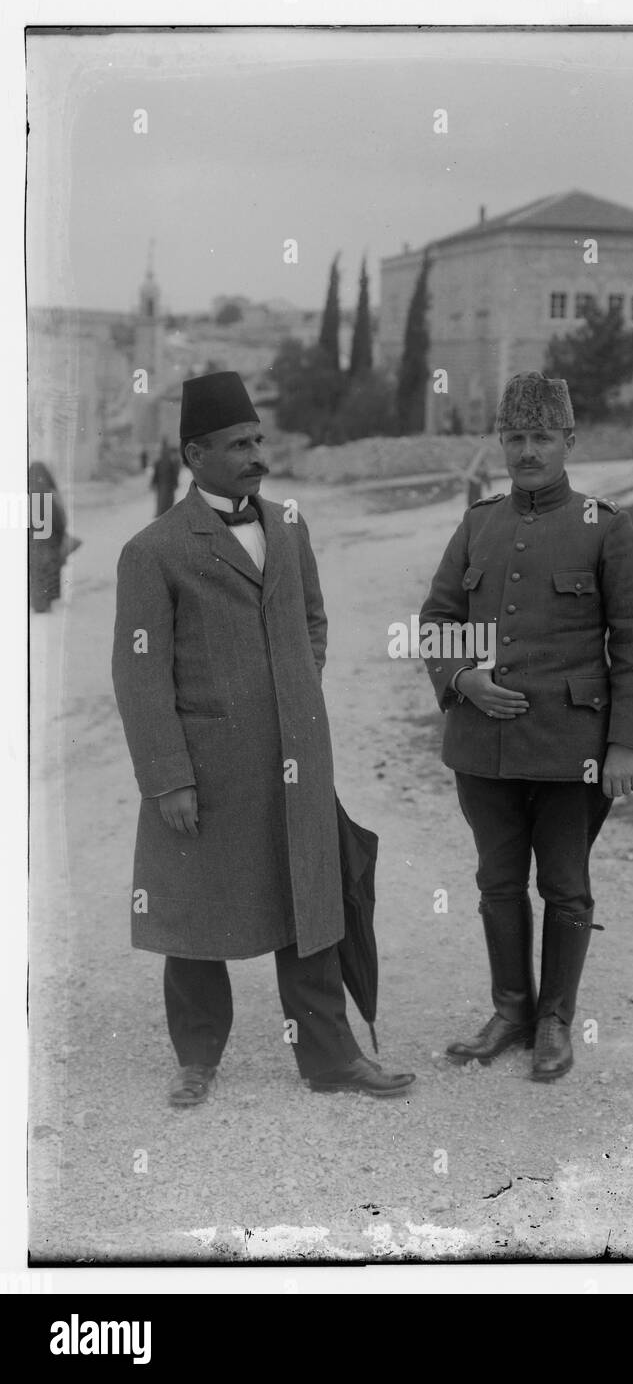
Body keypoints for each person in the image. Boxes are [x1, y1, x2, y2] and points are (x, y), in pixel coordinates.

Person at [112, 370, 414, 1106]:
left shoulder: (289, 524)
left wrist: (296, 693)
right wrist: (168, 777)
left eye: (257, 440)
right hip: (207, 769)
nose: (255, 454)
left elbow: (311, 618)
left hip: (296, 759)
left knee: (309, 907)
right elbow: (139, 675)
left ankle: (330, 1059)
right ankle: (196, 1060)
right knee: (191, 914)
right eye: (237, 443)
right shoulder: (153, 551)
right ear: (194, 454)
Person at [419, 372, 633, 1082]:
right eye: (515, 438)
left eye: (540, 438)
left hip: (571, 751)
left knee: (564, 886)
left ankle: (554, 1019)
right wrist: (462, 679)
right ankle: (508, 1011)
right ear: (500, 442)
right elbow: (437, 622)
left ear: (567, 442)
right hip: (481, 747)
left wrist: (622, 745)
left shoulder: (606, 527)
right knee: (497, 882)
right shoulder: (477, 523)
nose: (527, 452)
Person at [28, 461, 69, 613]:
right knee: (49, 569)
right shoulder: (49, 494)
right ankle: (46, 601)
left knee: (36, 573)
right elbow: (60, 521)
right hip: (49, 541)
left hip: (32, 543)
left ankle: (39, 604)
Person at [150, 439, 179, 517]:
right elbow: (155, 474)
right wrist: (153, 483)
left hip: (168, 484)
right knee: (161, 500)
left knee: (168, 499)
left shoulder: (170, 463)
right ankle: (161, 513)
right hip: (162, 484)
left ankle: (167, 513)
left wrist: (175, 483)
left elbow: (174, 474)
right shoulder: (158, 463)